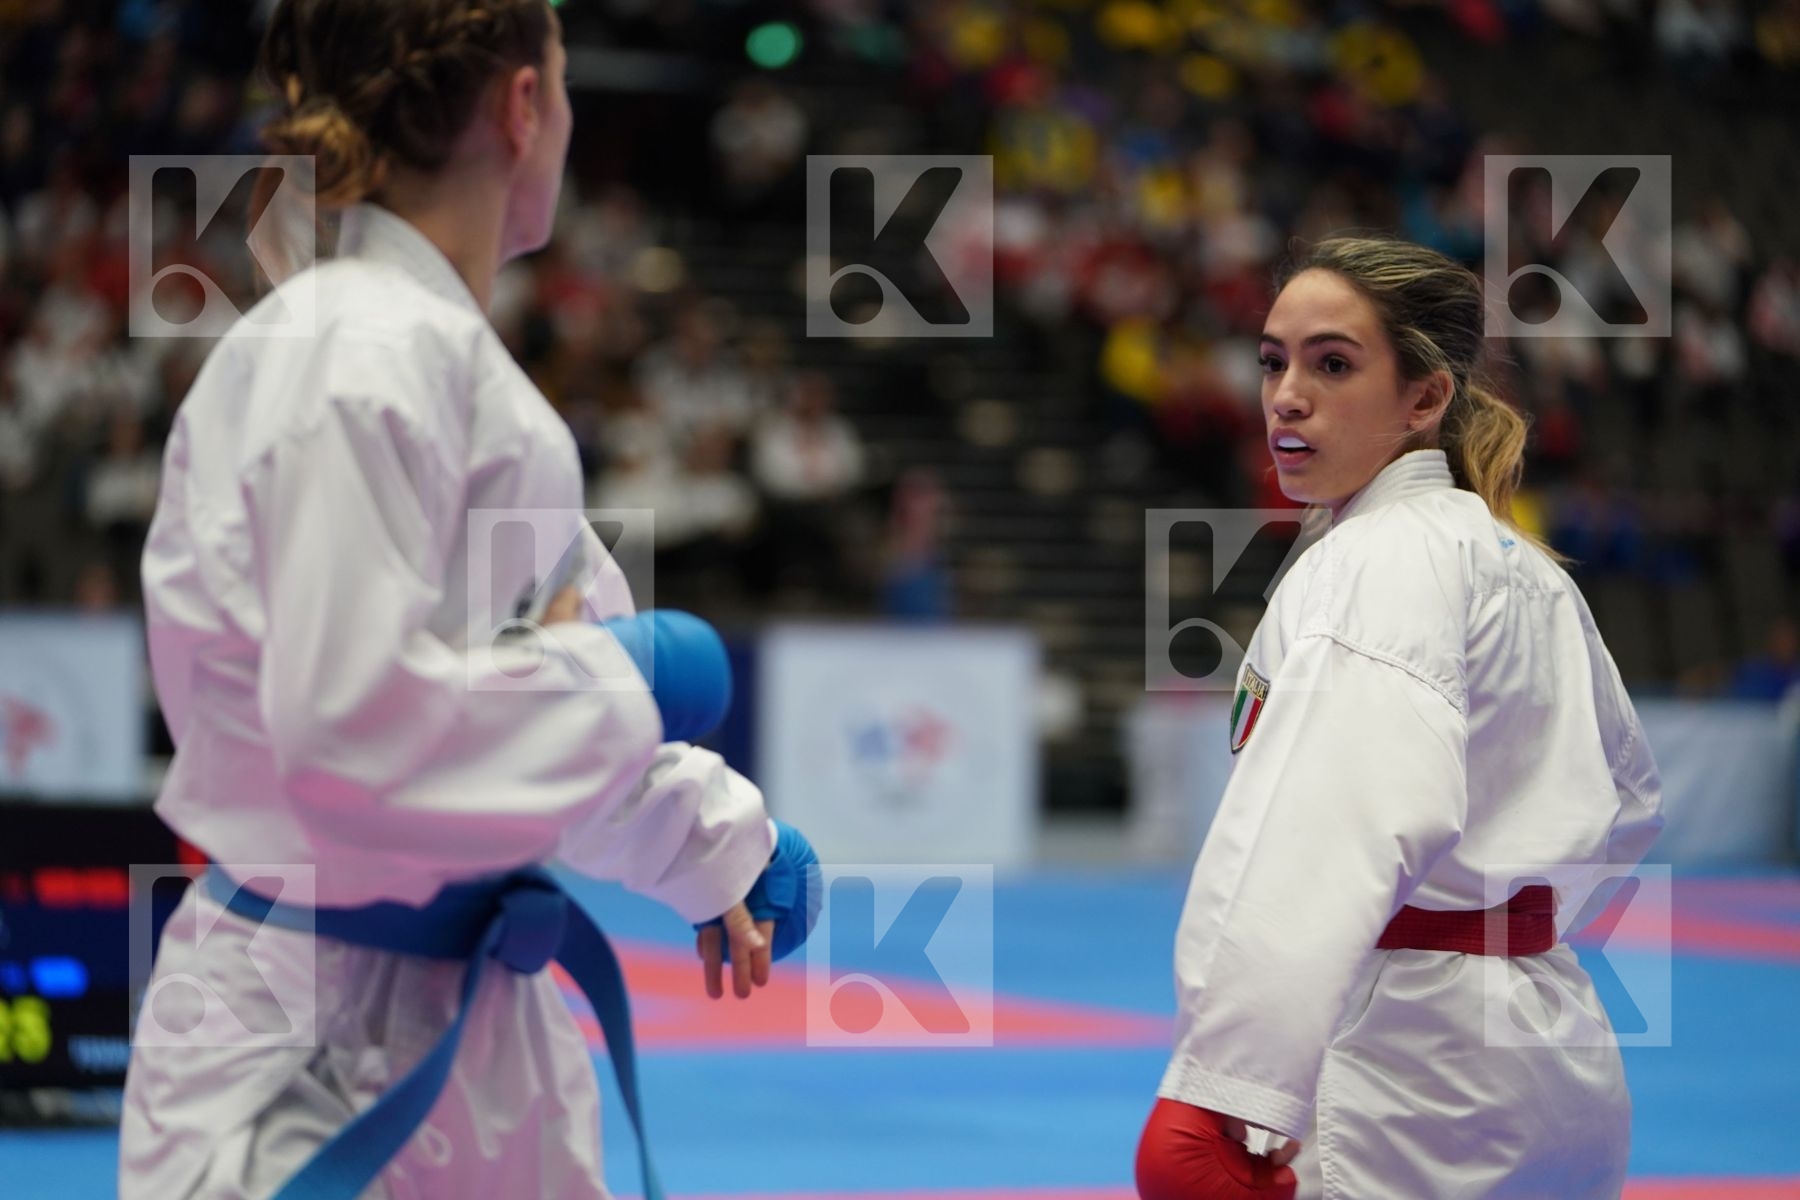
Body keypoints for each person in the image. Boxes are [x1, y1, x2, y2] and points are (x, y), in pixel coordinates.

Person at [120, 3, 815, 1198]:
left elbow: (508, 720)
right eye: (564, 81)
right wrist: (628, 676)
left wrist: (717, 842)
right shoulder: (353, 356)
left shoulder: (450, 370)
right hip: (306, 1033)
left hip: (478, 1014)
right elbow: (355, 735)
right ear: (523, 105)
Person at [1136, 237, 1664, 1200]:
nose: (1287, 397)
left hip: (1403, 1082)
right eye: (1273, 362)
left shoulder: (1374, 561)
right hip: (1557, 1050)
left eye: (1333, 365)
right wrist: (1501, 919)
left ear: (1424, 398)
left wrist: (1220, 1090)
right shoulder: (1524, 564)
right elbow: (1629, 803)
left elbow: (1325, 843)